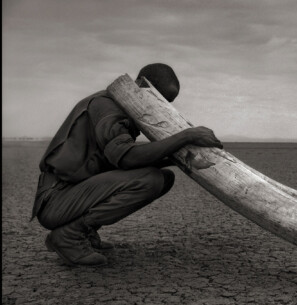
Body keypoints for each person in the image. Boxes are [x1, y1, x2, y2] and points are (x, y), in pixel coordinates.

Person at [31, 63, 223, 266]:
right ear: (141, 85)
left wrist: (180, 159)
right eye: (159, 99)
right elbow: (127, 158)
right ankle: (70, 235)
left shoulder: (116, 105)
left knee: (165, 177)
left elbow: (120, 161)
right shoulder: (107, 107)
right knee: (151, 180)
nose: (161, 107)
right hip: (57, 200)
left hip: (71, 195)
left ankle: (83, 232)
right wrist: (186, 136)